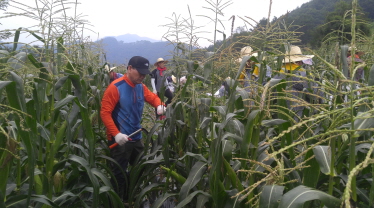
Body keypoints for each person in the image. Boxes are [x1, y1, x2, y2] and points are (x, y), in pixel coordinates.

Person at [100, 56, 166, 200]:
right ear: (130, 69)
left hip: (136, 137)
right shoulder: (116, 87)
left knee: (140, 169)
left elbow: (152, 97)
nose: (142, 76)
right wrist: (116, 134)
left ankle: (131, 197)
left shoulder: (140, 86)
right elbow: (105, 113)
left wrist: (159, 105)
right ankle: (117, 201)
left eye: (144, 73)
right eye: (140, 72)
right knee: (119, 174)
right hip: (120, 140)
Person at [275, 45, 314, 120]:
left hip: (280, 120)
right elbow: (315, 96)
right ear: (298, 62)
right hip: (301, 118)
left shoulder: (277, 75)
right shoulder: (304, 75)